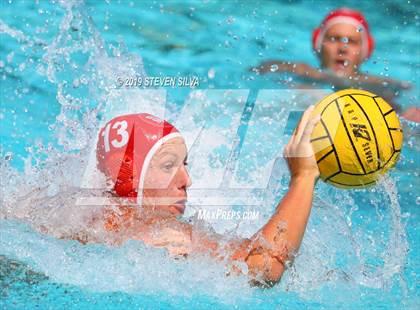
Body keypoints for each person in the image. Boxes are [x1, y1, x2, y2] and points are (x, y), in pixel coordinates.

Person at [88, 110, 320, 287]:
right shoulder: (165, 233)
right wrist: (303, 177)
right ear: (129, 177)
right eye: (168, 165)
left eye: (184, 164)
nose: (186, 180)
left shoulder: (79, 215)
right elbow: (263, 265)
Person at [251, 7, 420, 123]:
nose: (343, 48)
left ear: (365, 51)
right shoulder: (297, 71)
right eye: (334, 39)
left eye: (352, 42)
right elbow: (256, 73)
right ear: (318, 44)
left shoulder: (382, 85)